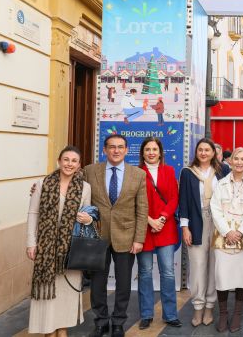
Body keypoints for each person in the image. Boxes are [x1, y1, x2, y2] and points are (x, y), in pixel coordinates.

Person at [84, 135, 148, 337]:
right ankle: (101, 321)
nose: (116, 151)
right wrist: (40, 186)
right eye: (112, 147)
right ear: (104, 150)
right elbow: (70, 185)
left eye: (120, 147)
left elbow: (142, 209)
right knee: (97, 283)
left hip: (127, 237)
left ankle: (119, 321)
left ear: (127, 150)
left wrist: (139, 239)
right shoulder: (90, 170)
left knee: (123, 283)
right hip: (98, 236)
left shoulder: (138, 174)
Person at [27, 146, 92, 337]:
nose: (69, 164)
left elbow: (89, 215)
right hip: (46, 249)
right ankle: (48, 330)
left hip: (71, 250)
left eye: (74, 160)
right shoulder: (42, 183)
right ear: (59, 161)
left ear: (79, 165)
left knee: (66, 295)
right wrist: (31, 243)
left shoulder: (85, 187)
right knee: (47, 292)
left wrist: (88, 219)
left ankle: (62, 329)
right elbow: (33, 214)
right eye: (66, 159)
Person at [136, 137, 181, 330]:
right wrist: (149, 220)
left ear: (161, 152)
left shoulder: (169, 171)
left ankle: (170, 315)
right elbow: (133, 201)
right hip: (143, 228)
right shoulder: (136, 173)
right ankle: (146, 314)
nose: (151, 152)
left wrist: (161, 219)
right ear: (142, 153)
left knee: (168, 273)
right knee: (145, 273)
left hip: (165, 227)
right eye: (148, 149)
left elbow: (173, 198)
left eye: (155, 149)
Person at [180, 138, 225, 327]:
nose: (204, 153)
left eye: (208, 150)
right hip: (197, 224)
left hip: (218, 224)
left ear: (214, 153)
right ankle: (198, 308)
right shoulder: (187, 173)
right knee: (198, 267)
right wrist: (185, 227)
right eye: (201, 149)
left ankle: (209, 307)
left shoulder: (223, 172)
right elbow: (183, 201)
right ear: (196, 152)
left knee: (214, 267)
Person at [210, 148, 243, 332]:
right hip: (223, 237)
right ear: (231, 160)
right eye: (236, 158)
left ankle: (237, 314)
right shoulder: (221, 183)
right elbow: (215, 208)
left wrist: (240, 231)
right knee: (222, 277)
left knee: (242, 277)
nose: (239, 162)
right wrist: (228, 231)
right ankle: (223, 315)